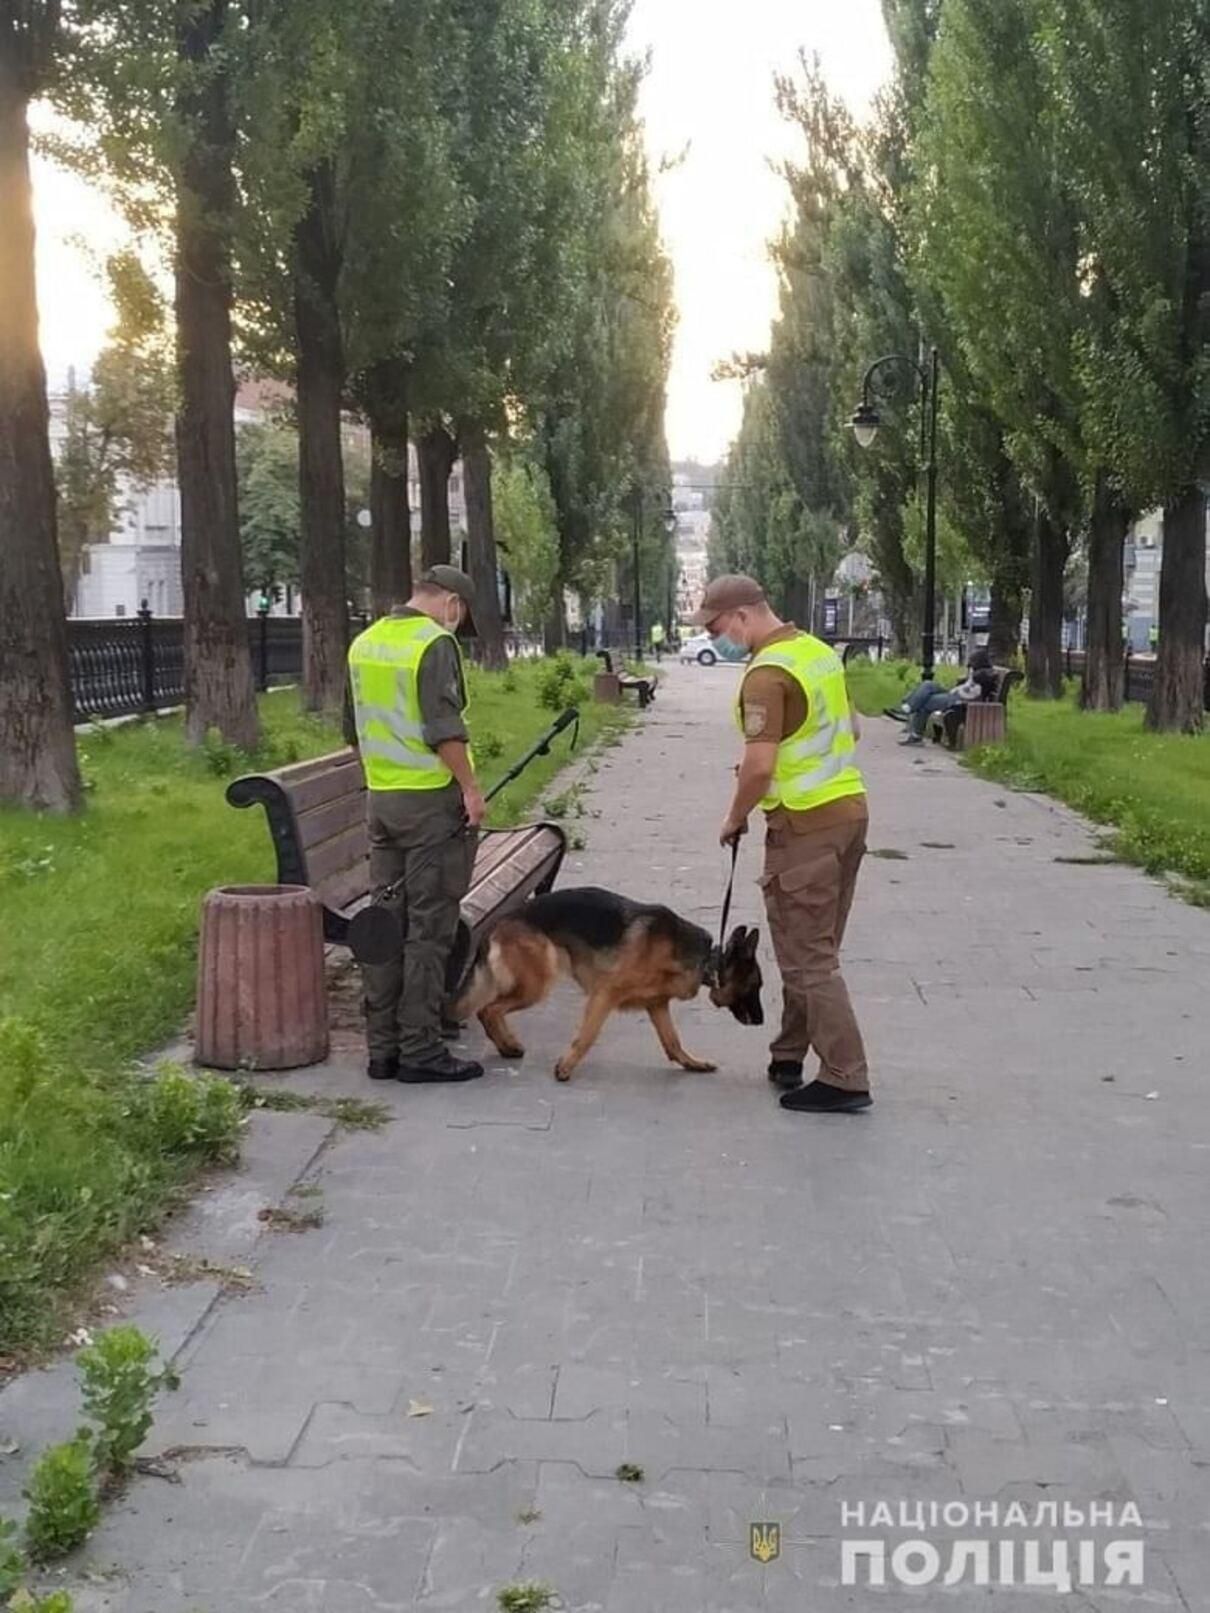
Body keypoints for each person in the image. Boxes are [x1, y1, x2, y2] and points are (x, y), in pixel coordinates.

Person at [690, 574, 872, 1114]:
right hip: (848, 812)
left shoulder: (767, 675)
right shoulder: (815, 653)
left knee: (808, 958)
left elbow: (762, 763)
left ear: (743, 615)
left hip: (804, 827)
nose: (717, 636)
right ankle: (789, 1054)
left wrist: (736, 813)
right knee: (809, 948)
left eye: (718, 625)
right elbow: (853, 728)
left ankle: (845, 1076)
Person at [344, 566, 487, 1085]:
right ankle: (421, 1051)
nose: (459, 624)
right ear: (450, 602)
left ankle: (381, 1051)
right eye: (462, 614)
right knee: (429, 932)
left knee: (385, 926)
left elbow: (352, 730)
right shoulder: (432, 644)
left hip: (381, 801)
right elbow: (443, 729)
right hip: (429, 806)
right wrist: (470, 789)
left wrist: (385, 778)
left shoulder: (365, 643)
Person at [885, 649, 997, 746]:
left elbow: (979, 680)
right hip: (954, 694)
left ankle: (914, 729)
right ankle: (907, 708)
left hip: (960, 700)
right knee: (928, 684)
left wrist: (971, 671)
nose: (971, 664)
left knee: (926, 702)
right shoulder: (978, 672)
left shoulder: (985, 674)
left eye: (973, 662)